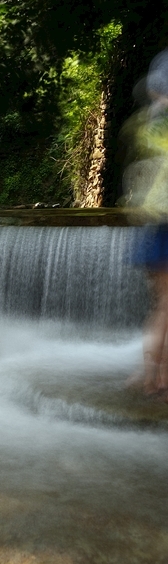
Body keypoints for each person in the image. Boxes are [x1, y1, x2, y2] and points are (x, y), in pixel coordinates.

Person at [122, 50, 168, 398]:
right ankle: (158, 377)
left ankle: (148, 374)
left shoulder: (150, 123)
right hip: (164, 223)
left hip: (151, 221)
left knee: (161, 306)